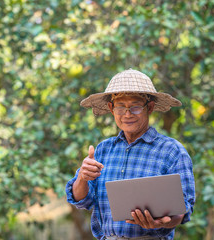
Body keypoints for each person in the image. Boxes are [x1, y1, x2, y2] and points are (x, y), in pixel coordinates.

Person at [66, 69, 195, 240]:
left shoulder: (172, 151)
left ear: (149, 108)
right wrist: (82, 177)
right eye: (120, 107)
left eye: (135, 107)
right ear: (111, 108)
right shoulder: (103, 150)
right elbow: (81, 200)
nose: (127, 114)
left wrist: (163, 222)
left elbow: (182, 210)